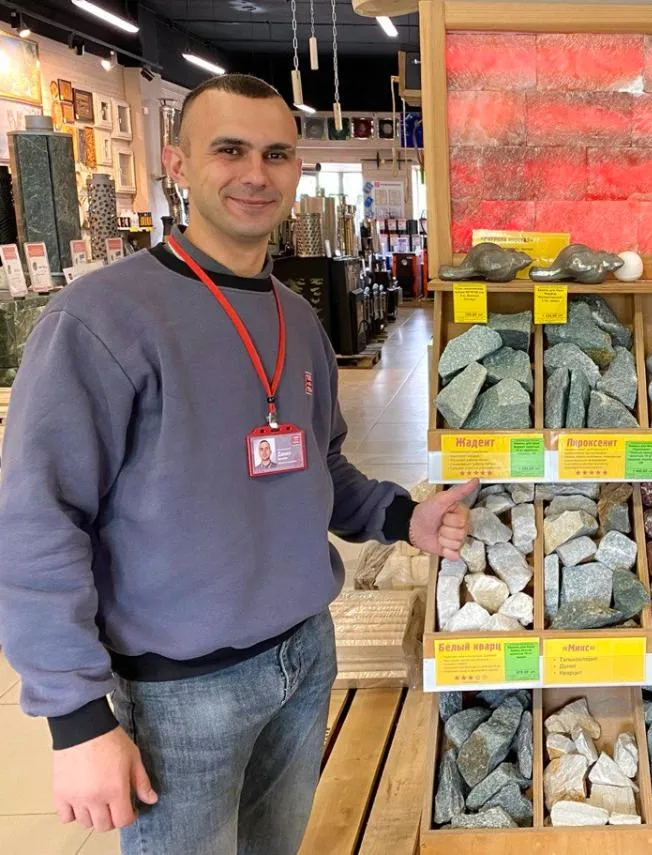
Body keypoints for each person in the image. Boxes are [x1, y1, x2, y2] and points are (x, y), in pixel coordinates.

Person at [0, 74, 476, 854]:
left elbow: (321, 467)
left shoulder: (296, 316)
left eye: (276, 154)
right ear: (177, 164)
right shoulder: (101, 317)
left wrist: (404, 517)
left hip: (303, 657)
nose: (256, 173)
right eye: (230, 150)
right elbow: (37, 521)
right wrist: (76, 717)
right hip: (179, 694)